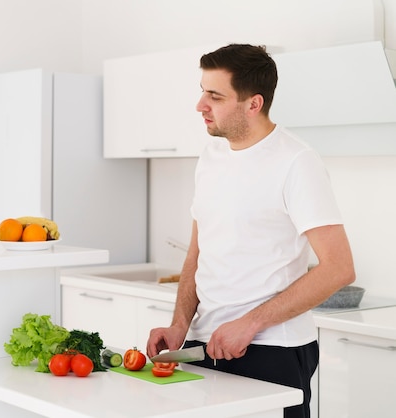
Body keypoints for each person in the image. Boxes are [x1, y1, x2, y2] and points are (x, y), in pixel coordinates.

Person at [146, 44, 355, 418]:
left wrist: (250, 324)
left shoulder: (296, 162)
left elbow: (338, 267)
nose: (200, 105)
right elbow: (198, 251)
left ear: (253, 104)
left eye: (214, 95)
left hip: (272, 349)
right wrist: (180, 324)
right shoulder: (211, 157)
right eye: (202, 91)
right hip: (204, 345)